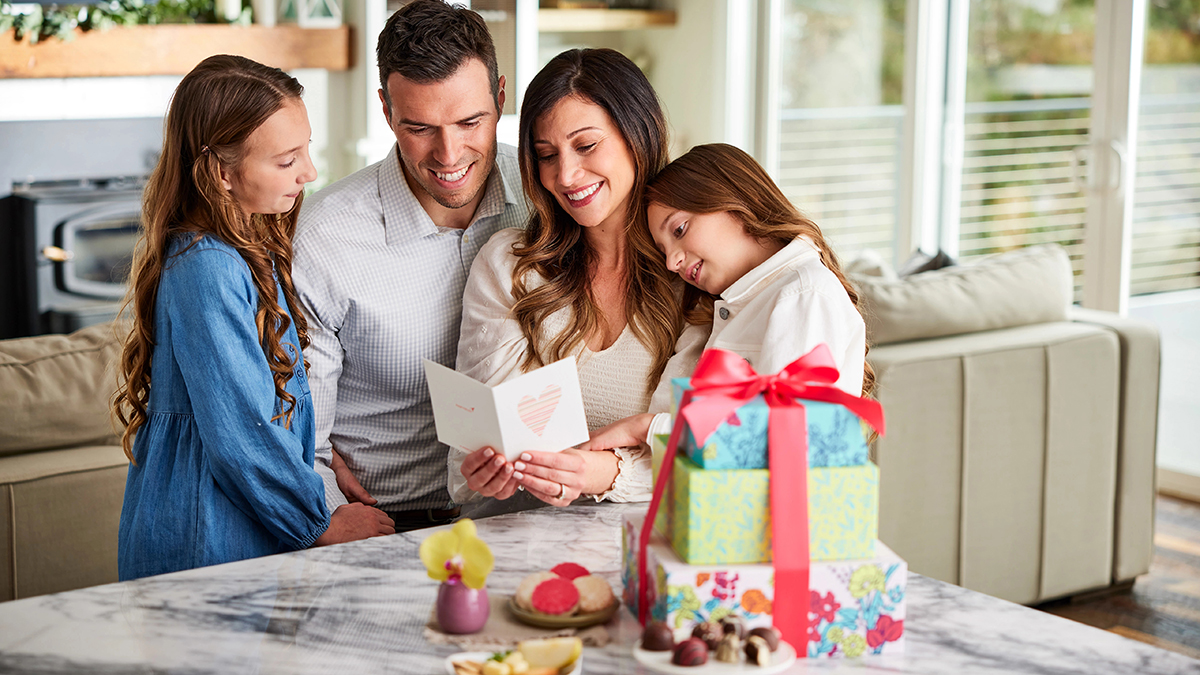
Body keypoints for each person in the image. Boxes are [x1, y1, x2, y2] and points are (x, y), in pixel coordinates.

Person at [113, 55, 395, 581]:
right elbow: (241, 429)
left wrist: (321, 468)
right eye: (287, 161)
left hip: (239, 523)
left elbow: (270, 402)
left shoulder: (246, 248)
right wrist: (317, 520)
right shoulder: (208, 268)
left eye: (306, 150)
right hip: (207, 537)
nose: (309, 172)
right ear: (222, 172)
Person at [293, 0, 529, 530]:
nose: (449, 155)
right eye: (419, 127)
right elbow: (299, 435)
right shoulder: (325, 238)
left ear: (501, 94)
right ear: (385, 110)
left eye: (471, 122)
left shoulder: (547, 195)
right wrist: (327, 509)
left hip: (527, 513)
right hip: (387, 525)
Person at [451, 48, 708, 508]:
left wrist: (605, 473)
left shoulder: (693, 271)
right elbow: (474, 448)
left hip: (655, 542)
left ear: (638, 134)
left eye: (586, 146)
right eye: (546, 155)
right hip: (515, 540)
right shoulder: (511, 266)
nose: (565, 175)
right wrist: (485, 471)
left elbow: (705, 452)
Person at [646, 142, 874, 397]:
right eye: (663, 251)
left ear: (735, 200)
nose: (671, 263)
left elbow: (778, 430)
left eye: (679, 230)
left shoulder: (805, 295)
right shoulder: (715, 312)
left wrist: (647, 427)